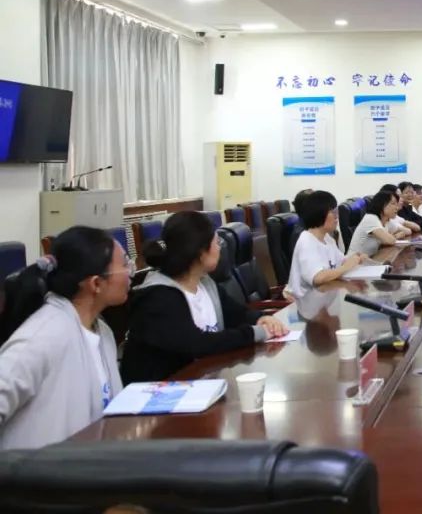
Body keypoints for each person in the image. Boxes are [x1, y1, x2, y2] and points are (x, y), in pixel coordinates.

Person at [0, 227, 129, 449]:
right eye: (125, 264)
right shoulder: (43, 336)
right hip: (38, 469)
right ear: (96, 284)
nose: (131, 272)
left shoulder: (101, 331)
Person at [122, 212, 289, 383]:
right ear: (201, 252)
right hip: (164, 389)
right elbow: (198, 344)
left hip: (204, 380)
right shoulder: (158, 296)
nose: (219, 248)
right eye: (216, 243)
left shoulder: (205, 283)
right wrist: (254, 333)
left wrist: (261, 319)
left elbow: (236, 313)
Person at [287, 190, 367, 300]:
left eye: (336, 211)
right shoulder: (306, 241)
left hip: (324, 298)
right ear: (318, 214)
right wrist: (346, 267)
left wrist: (356, 258)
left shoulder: (327, 238)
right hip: (306, 302)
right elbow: (318, 278)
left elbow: (341, 261)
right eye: (332, 212)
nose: (336, 216)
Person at [348, 189, 406, 257]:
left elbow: (406, 231)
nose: (397, 207)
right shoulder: (371, 218)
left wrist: (392, 236)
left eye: (397, 204)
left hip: (370, 259)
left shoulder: (386, 220)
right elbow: (390, 240)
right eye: (393, 204)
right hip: (355, 261)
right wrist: (396, 236)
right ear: (381, 205)